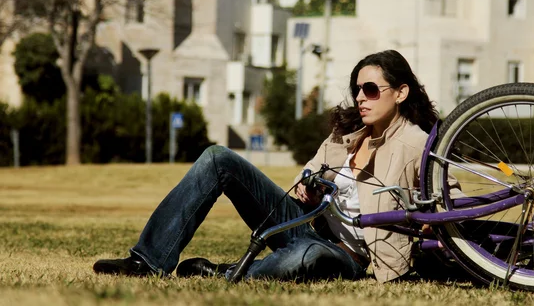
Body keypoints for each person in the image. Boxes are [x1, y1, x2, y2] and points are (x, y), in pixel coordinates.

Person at [93, 49, 440, 283]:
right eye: (358, 89)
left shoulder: (416, 143)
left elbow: (449, 205)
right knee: (217, 158)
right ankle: (147, 261)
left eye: (370, 89)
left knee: (306, 254)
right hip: (306, 224)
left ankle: (230, 272)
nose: (361, 97)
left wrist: (424, 231)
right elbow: (309, 169)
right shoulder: (347, 134)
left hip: (350, 257)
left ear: (401, 92)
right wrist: (305, 183)